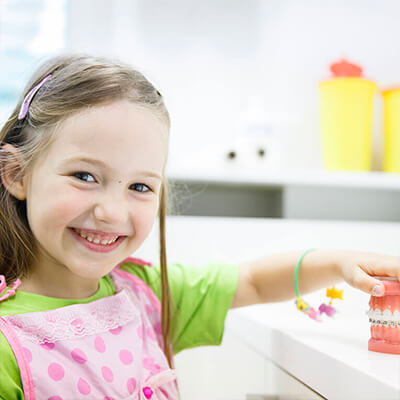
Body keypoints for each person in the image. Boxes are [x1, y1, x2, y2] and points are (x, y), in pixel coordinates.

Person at [0, 54, 398, 400]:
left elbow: (255, 282)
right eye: (85, 176)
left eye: (140, 186)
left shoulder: (148, 295)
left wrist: (343, 263)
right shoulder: (7, 341)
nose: (112, 212)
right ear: (17, 173)